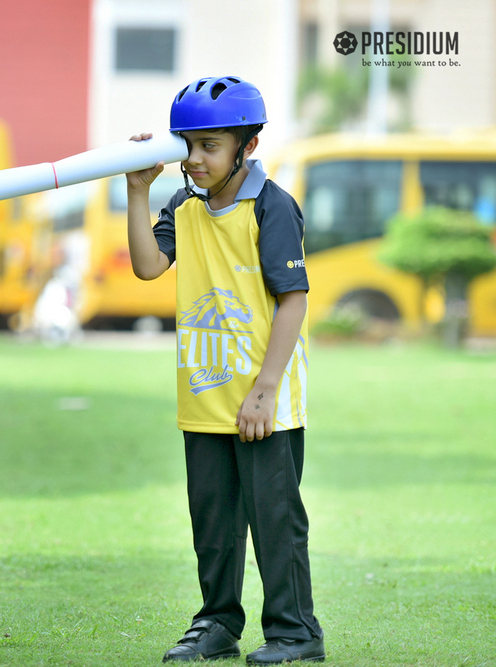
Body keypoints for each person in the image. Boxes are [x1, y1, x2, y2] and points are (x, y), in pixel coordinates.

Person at [125, 76, 325, 664]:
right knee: (212, 522)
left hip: (266, 398)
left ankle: (296, 632)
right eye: (187, 144)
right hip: (204, 394)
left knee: (274, 521)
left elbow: (294, 299)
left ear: (248, 146)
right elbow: (146, 266)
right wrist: (139, 193)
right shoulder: (182, 205)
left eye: (209, 145)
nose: (194, 159)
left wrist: (265, 391)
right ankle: (216, 622)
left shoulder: (272, 205)